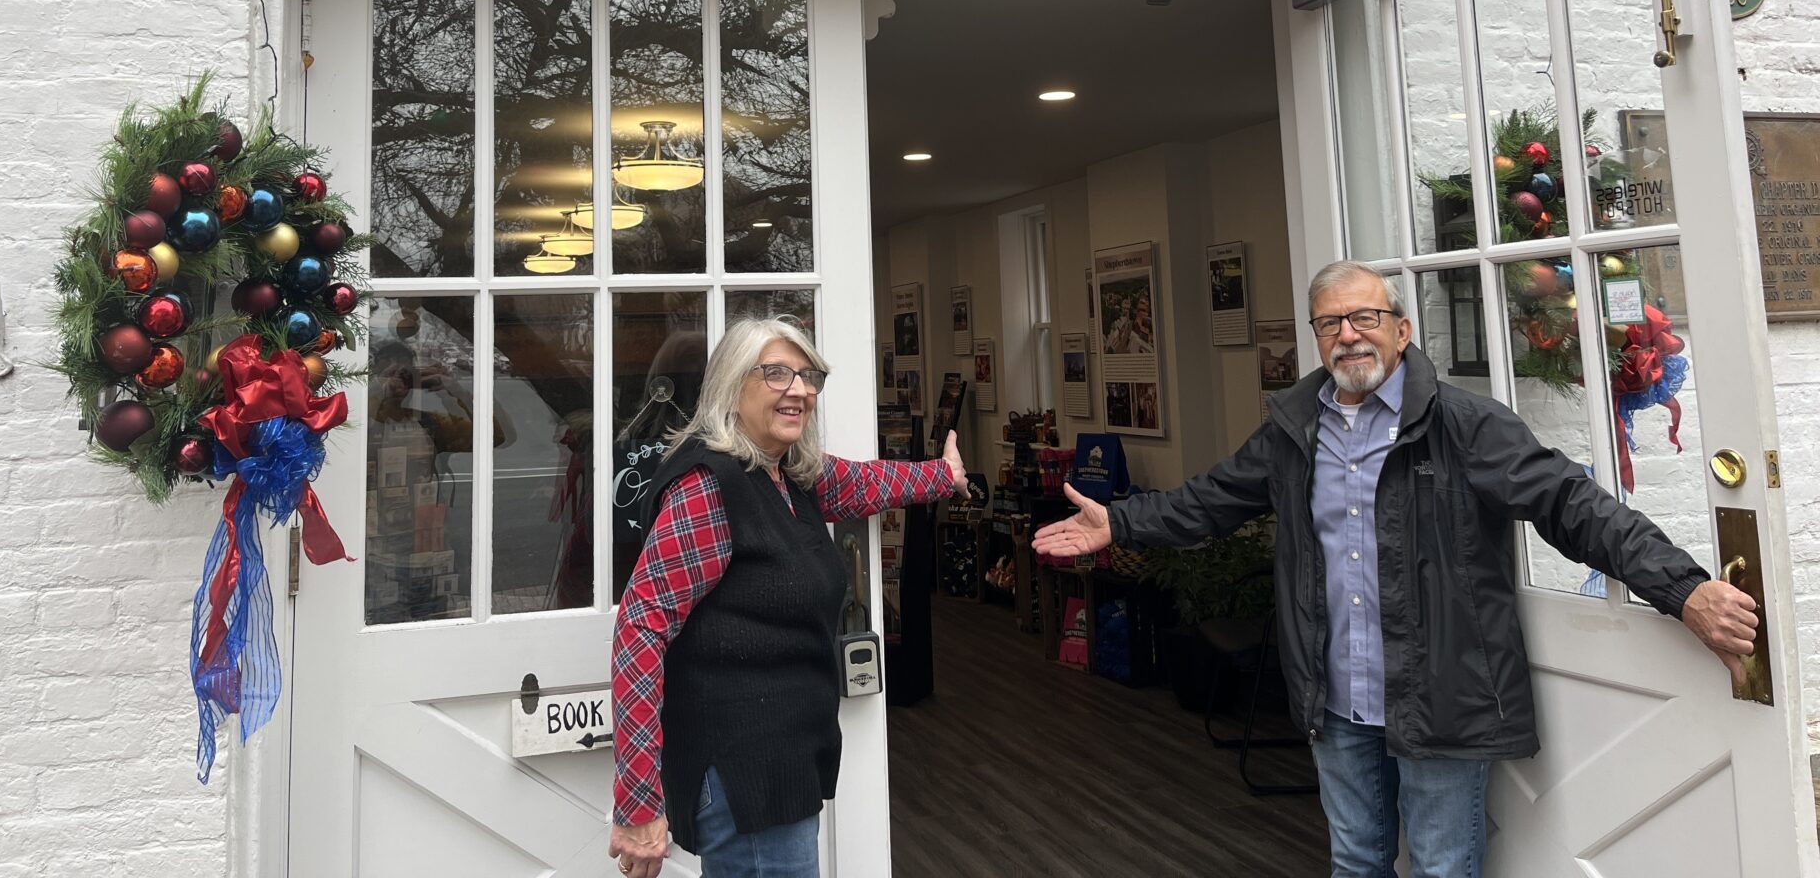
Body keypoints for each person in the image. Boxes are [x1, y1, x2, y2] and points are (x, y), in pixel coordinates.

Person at [1034, 260, 1759, 878]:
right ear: (1316, 339)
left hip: (1441, 696)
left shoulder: (1464, 425)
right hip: (1337, 697)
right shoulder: (1294, 430)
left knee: (1443, 868)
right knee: (1356, 864)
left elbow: (1574, 506)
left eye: (1365, 317)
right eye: (1329, 323)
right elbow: (1211, 501)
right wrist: (1120, 521)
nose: (1347, 334)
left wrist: (1684, 589)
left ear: (1402, 331)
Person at [608, 317, 968, 878]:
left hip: (780, 770)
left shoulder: (784, 474)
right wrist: (636, 801)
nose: (798, 388)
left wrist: (943, 477)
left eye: (807, 375)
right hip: (745, 779)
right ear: (732, 384)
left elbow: (864, 483)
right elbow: (640, 629)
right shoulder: (710, 487)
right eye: (776, 372)